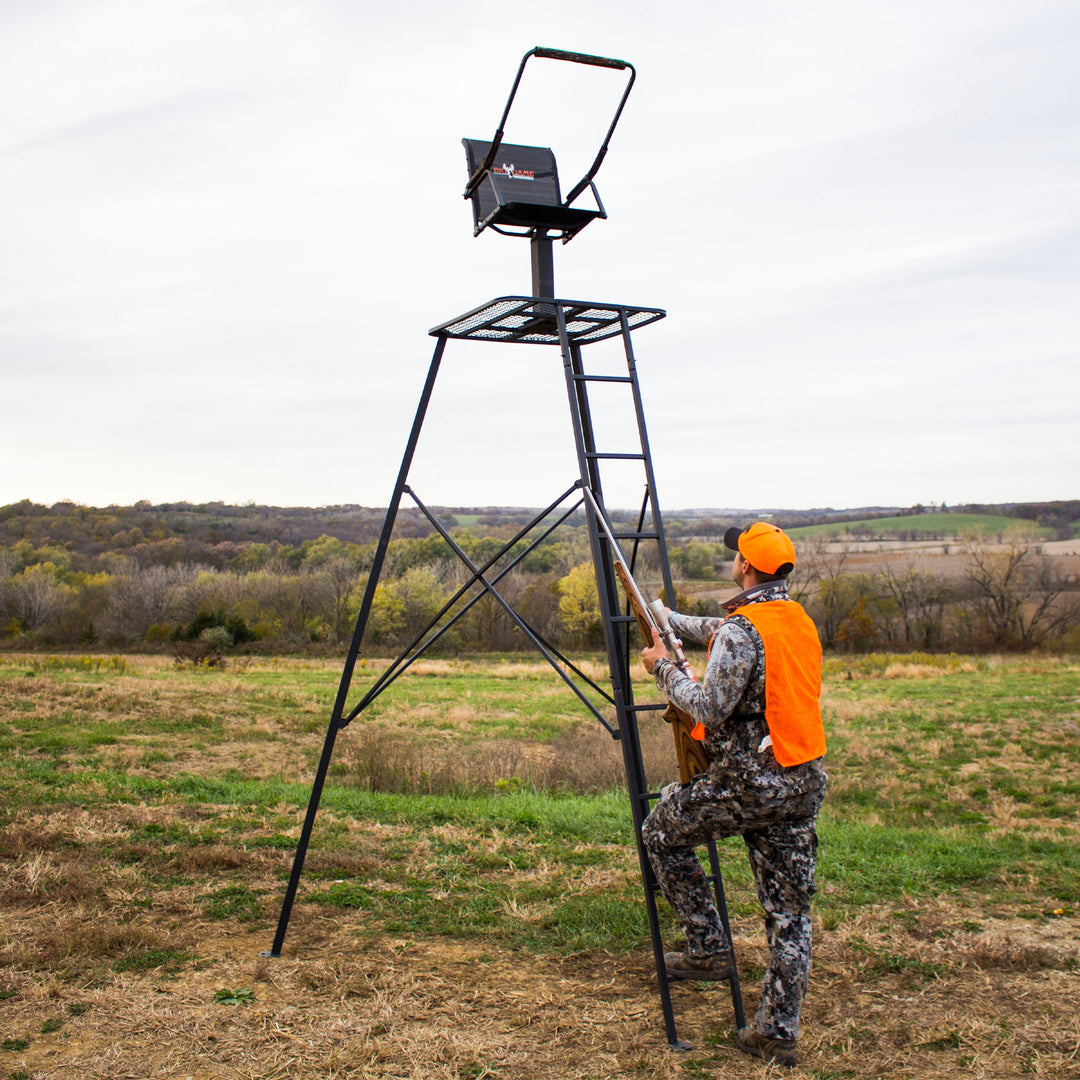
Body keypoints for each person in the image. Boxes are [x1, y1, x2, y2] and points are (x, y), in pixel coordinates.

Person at [640, 521, 826, 1069]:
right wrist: (669, 620)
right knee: (789, 913)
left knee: (660, 832)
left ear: (745, 566)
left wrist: (662, 670)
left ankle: (706, 945)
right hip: (801, 783)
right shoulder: (796, 621)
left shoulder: (742, 634)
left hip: (746, 784)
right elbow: (723, 630)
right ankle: (777, 1031)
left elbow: (707, 707)